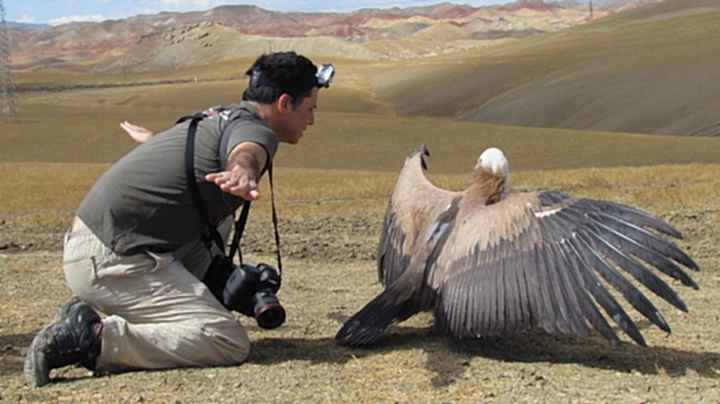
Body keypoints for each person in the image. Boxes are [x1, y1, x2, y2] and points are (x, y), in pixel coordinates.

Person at [24, 51, 334, 388]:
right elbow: (247, 151)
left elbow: (198, 159)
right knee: (225, 339)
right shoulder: (257, 132)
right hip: (110, 258)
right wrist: (242, 172)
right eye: (310, 108)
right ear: (285, 103)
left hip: (103, 243)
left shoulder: (220, 116)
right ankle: (90, 339)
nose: (312, 120)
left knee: (216, 225)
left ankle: (169, 294)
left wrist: (155, 141)